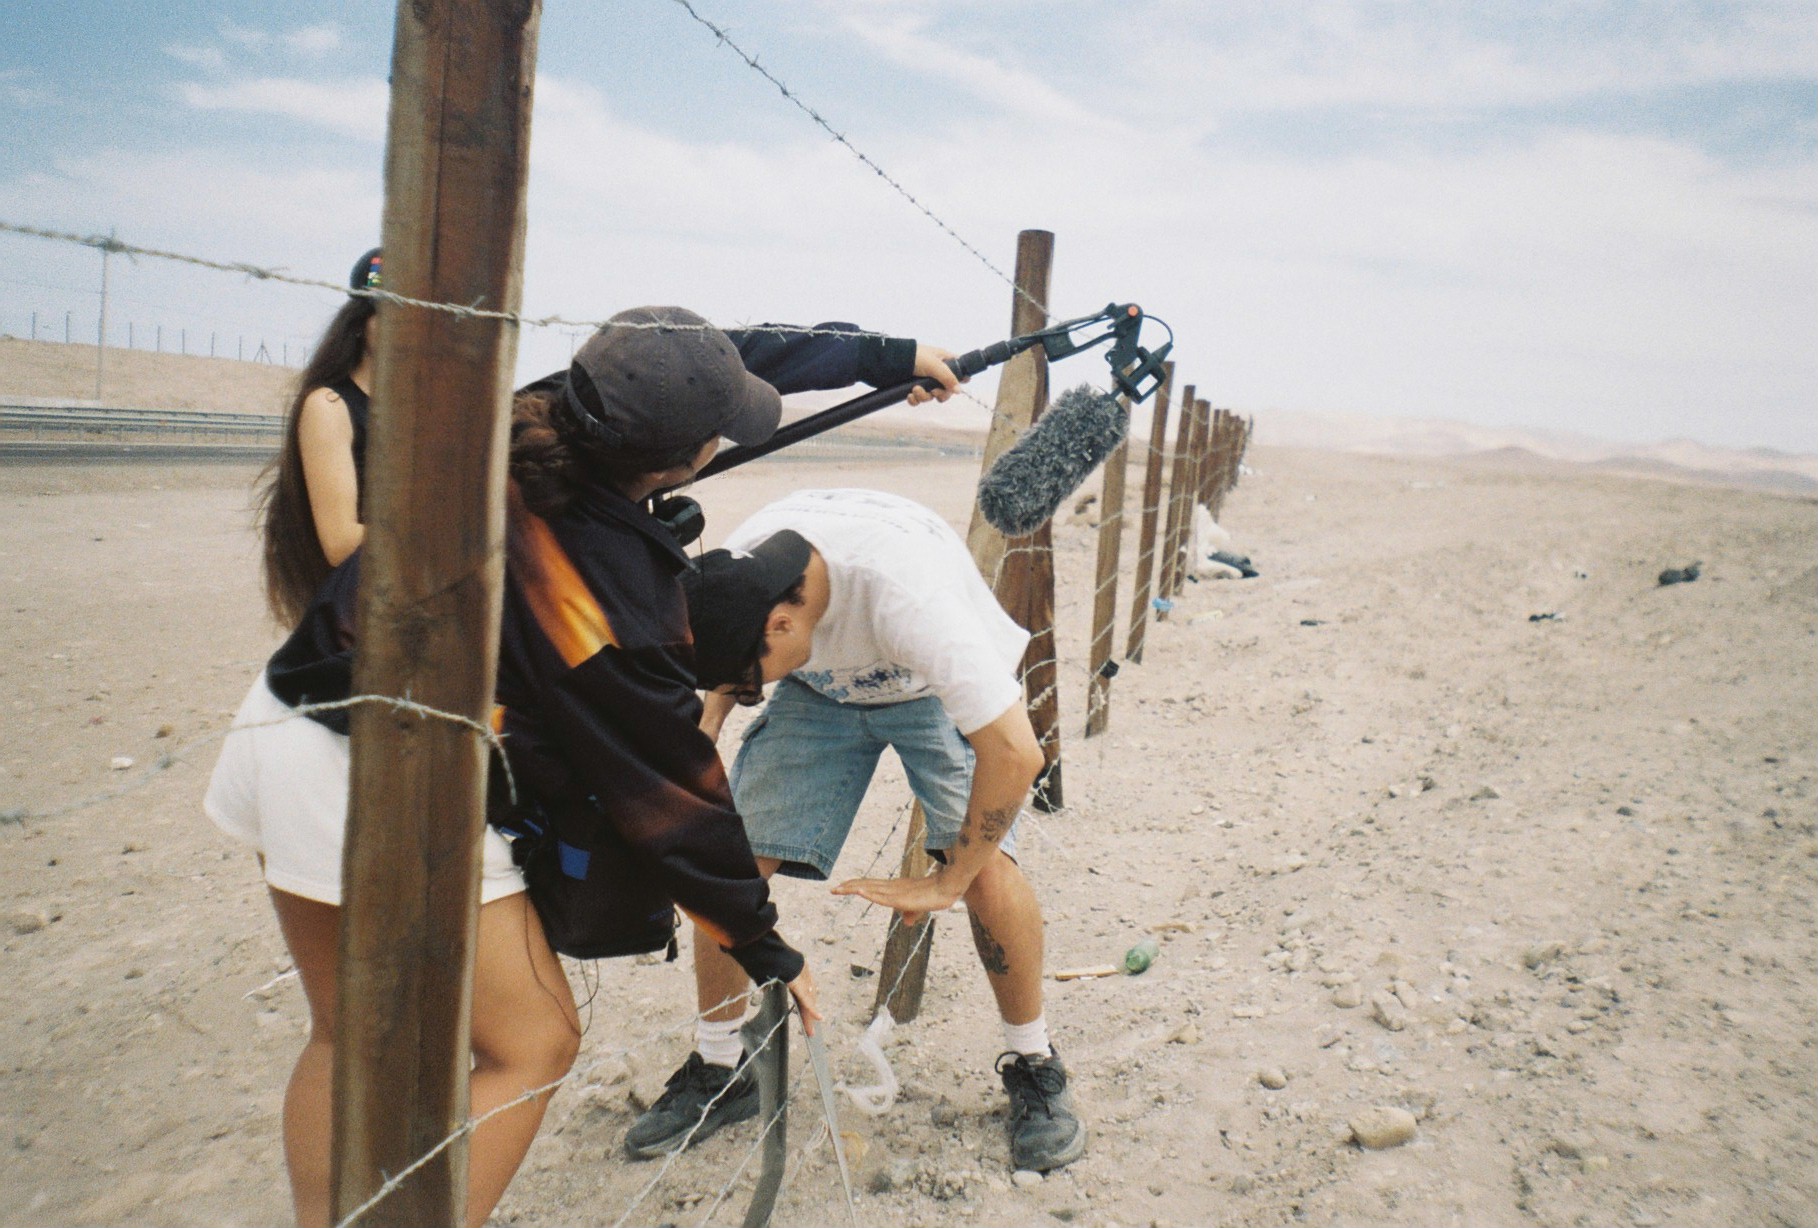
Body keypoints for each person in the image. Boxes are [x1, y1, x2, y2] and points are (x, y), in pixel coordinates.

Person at [206, 308, 951, 1227]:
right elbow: (671, 794)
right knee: (534, 1042)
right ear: (682, 461)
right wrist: (763, 940)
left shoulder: (550, 411)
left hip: (288, 715)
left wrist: (889, 359)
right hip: (388, 773)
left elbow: (723, 360)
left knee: (344, 1031)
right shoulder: (610, 604)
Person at [626, 488, 1088, 1174]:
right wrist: (713, 721)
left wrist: (948, 878)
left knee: (990, 875)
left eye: (750, 684)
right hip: (819, 691)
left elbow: (1018, 755)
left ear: (782, 626)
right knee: (726, 864)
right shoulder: (750, 568)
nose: (749, 692)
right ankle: (722, 1066)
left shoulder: (911, 603)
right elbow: (730, 642)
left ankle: (1035, 1061)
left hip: (926, 688)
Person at [258, 248, 384, 627]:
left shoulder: (420, 412)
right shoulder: (329, 406)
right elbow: (341, 541)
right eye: (390, 313)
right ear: (361, 323)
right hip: (357, 612)